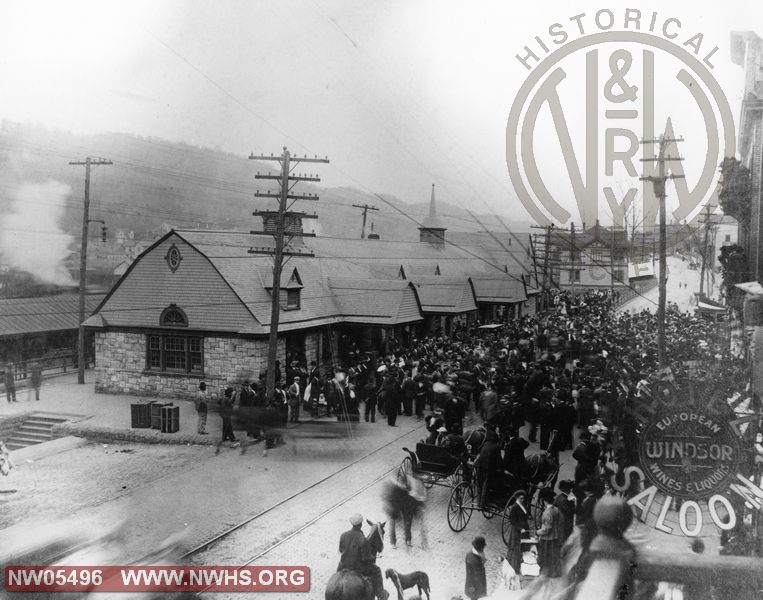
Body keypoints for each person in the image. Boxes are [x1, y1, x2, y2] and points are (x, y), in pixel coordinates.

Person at [337, 514, 388, 600]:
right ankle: (381, 594)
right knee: (377, 570)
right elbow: (366, 558)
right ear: (360, 525)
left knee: (337, 575)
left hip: (344, 564)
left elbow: (341, 550)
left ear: (352, 524)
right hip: (357, 567)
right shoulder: (362, 539)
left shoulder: (343, 535)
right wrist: (372, 557)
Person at [536, 487, 563, 578]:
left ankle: (546, 574)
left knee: (545, 557)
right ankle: (554, 572)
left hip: (547, 539)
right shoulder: (556, 509)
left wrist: (537, 532)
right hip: (555, 537)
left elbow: (546, 529)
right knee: (554, 556)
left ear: (544, 501)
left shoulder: (547, 513)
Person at [505, 490, 529, 575]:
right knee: (516, 548)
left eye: (523, 498)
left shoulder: (523, 505)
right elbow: (512, 521)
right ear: (517, 498)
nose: (522, 500)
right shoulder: (514, 507)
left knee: (524, 547)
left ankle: (524, 565)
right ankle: (515, 567)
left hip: (524, 529)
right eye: (521, 498)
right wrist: (519, 528)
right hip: (517, 531)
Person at [464, 535, 487, 600]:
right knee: (474, 597)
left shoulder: (470, 553)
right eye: (483, 547)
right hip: (474, 585)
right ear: (480, 547)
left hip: (473, 584)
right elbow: (478, 573)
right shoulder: (474, 559)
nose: (483, 549)